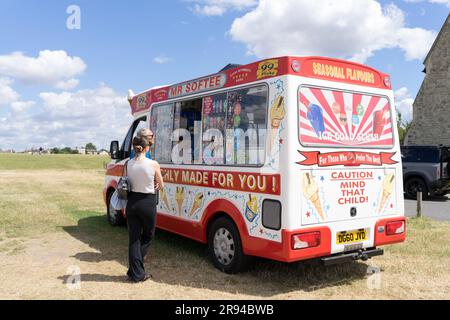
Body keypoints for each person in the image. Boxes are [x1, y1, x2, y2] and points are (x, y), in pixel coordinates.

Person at [125, 135, 164, 282]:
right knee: (148, 235)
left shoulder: (128, 163)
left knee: (134, 239)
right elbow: (161, 185)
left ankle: (133, 271)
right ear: (146, 147)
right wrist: (155, 183)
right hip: (147, 202)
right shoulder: (153, 164)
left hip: (132, 201)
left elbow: (127, 181)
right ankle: (137, 273)